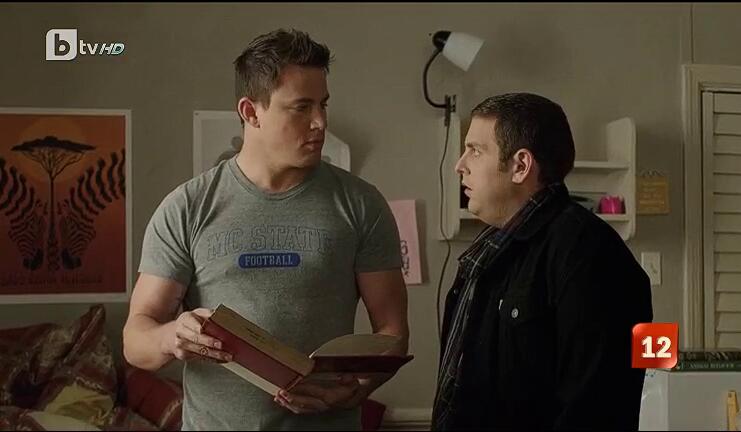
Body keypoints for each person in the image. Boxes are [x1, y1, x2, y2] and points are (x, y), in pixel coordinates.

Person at [123, 29, 409, 430]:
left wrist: (360, 388)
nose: (320, 122)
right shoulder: (187, 207)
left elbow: (393, 333)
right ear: (251, 112)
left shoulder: (362, 204)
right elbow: (136, 339)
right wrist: (172, 336)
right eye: (301, 107)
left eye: (323, 104)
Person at [431, 93, 653, 430]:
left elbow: (596, 406)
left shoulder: (589, 253)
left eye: (475, 150)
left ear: (521, 166)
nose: (460, 165)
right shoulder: (490, 250)